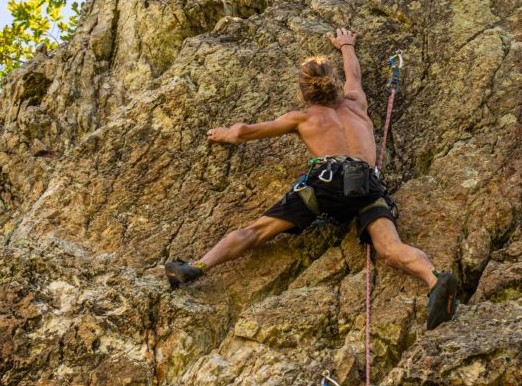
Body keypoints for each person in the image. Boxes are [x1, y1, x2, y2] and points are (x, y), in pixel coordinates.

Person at [164, 28, 458, 330]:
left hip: (327, 183)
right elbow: (354, 75)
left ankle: (196, 267)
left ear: (304, 93)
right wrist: (346, 45)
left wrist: (225, 133)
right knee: (390, 247)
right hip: (366, 185)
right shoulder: (356, 103)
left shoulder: (303, 118)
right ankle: (434, 279)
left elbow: (244, 132)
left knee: (256, 232)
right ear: (334, 85)